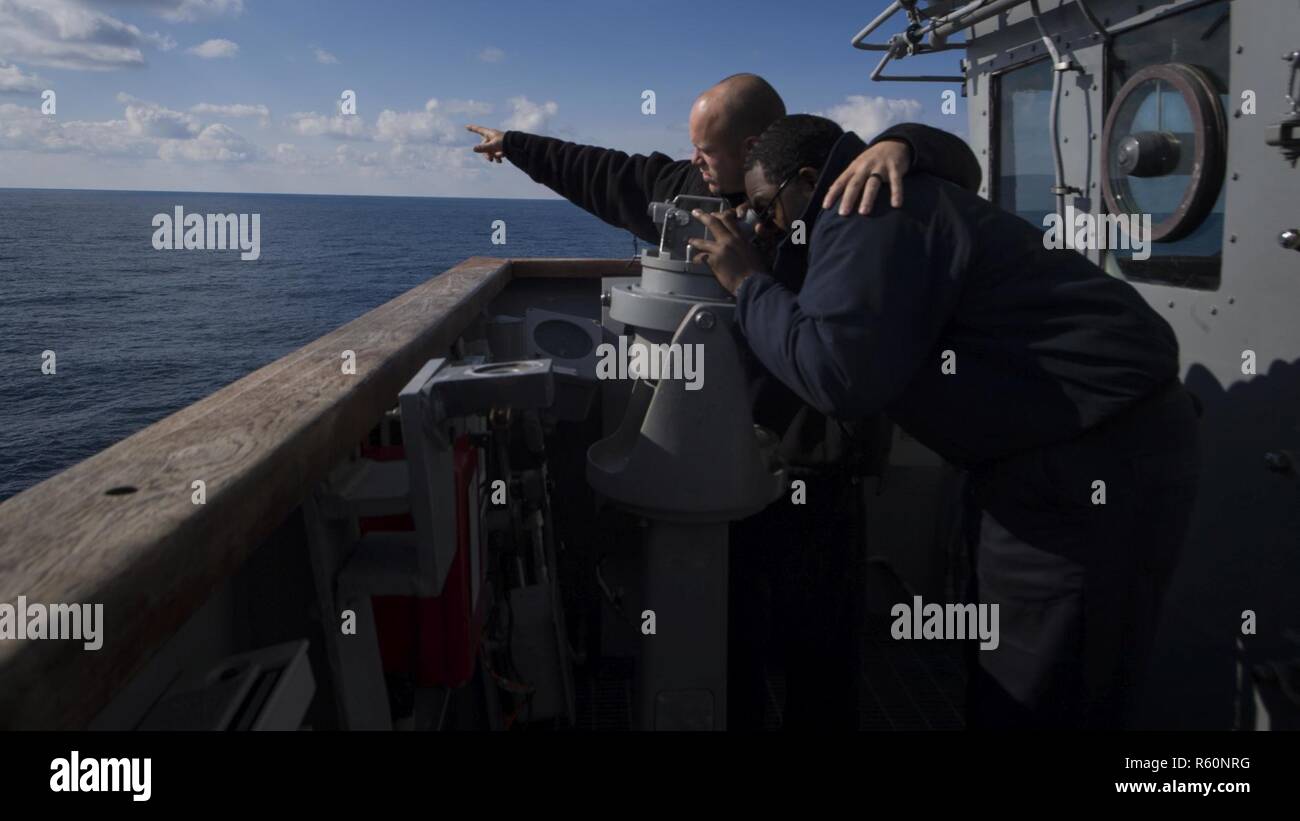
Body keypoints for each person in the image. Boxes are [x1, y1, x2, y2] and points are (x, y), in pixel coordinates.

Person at [467, 77, 981, 730]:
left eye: (705, 150)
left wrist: (904, 140)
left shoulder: (835, 201)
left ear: (749, 147)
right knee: (726, 639)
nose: (695, 161)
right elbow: (603, 172)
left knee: (820, 653)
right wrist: (514, 144)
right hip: (724, 461)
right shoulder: (691, 193)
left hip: (814, 469)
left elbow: (959, 169)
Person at [690, 114, 1200, 729]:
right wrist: (903, 141)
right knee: (1028, 670)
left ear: (807, 179)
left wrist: (747, 283)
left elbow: (837, 378)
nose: (765, 224)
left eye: (768, 207)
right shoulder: (882, 189)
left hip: (1087, 459)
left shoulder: (862, 211)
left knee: (1043, 691)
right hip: (1063, 449)